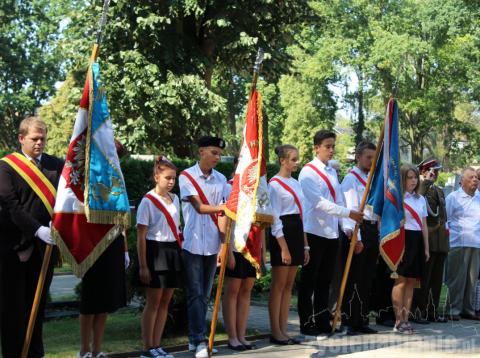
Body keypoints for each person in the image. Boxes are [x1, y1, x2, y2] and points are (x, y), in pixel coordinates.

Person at [0, 116, 63, 358]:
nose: (39, 143)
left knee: (37, 311)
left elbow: (65, 199)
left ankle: (36, 354)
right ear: (21, 138)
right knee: (13, 311)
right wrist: (37, 230)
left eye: (43, 139)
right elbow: (10, 206)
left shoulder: (55, 165)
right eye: (35, 139)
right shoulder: (6, 167)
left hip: (44, 249)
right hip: (14, 249)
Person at [297, 130, 363, 335]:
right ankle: (307, 323)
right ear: (316, 147)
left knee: (325, 280)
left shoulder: (332, 172)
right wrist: (348, 213)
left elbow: (339, 200)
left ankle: (322, 320)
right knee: (309, 280)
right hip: (314, 230)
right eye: (327, 146)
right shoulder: (308, 172)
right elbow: (319, 203)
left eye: (333, 146)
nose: (331, 150)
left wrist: (346, 225)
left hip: (332, 233)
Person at [77, 140, 130, 358]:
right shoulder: (87, 177)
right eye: (113, 153)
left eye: (117, 154)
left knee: (105, 301)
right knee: (90, 301)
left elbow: (122, 218)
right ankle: (84, 350)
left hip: (113, 242)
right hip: (92, 242)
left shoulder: (118, 178)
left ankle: (98, 349)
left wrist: (125, 249)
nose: (115, 157)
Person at [179, 136, 227, 358]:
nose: (217, 157)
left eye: (219, 153)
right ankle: (199, 339)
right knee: (195, 293)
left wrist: (224, 244)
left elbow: (224, 217)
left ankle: (194, 338)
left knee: (205, 295)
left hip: (212, 244)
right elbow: (198, 207)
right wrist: (223, 208)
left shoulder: (221, 179)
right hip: (192, 243)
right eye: (214, 152)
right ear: (201, 152)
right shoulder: (186, 176)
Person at [136, 156, 183, 358]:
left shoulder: (176, 199)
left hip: (172, 251)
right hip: (155, 251)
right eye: (167, 178)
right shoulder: (147, 201)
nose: (171, 182)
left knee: (165, 302)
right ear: (156, 177)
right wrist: (143, 266)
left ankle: (157, 345)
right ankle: (147, 348)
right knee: (153, 302)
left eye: (174, 178)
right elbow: (141, 236)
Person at [268, 145, 309, 344]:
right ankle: (275, 331)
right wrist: (283, 247)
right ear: (282, 161)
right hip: (282, 233)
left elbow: (302, 215)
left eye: (297, 159)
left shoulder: (296, 183)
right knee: (279, 285)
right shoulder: (274, 184)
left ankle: (284, 330)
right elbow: (274, 218)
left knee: (288, 286)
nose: (296, 162)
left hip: (296, 231)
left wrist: (305, 245)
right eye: (293, 159)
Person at [340, 141, 379, 335]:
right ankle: (347, 320)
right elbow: (352, 209)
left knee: (366, 278)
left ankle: (361, 318)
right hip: (358, 229)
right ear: (358, 157)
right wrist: (358, 237)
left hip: (372, 229)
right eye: (368, 157)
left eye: (374, 158)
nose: (371, 161)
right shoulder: (351, 179)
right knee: (353, 278)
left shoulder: (372, 179)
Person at [222, 157, 258, 351]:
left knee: (246, 290)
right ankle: (232, 336)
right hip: (235, 247)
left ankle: (242, 335)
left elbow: (259, 221)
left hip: (251, 247)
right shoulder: (230, 188)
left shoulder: (256, 190)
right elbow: (225, 222)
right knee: (233, 290)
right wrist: (227, 251)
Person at [392, 164, 429, 334]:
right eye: (410, 177)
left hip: (417, 241)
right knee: (400, 280)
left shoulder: (421, 199)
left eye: (415, 177)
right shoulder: (397, 198)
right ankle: (398, 321)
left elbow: (424, 225)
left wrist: (426, 248)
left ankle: (406, 319)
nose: (414, 181)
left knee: (411, 282)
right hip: (402, 239)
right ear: (403, 179)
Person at [411, 158, 449, 324]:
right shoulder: (420, 188)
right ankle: (419, 311)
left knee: (436, 281)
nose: (436, 174)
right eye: (432, 170)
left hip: (440, 242)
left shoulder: (439, 190)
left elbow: (442, 216)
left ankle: (432, 311)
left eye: (437, 171)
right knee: (424, 280)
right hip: (429, 241)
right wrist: (425, 181)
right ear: (423, 171)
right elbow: (419, 196)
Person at [445, 167, 480, 321]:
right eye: (471, 177)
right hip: (458, 242)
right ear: (462, 181)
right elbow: (446, 219)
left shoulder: (479, 197)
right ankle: (454, 309)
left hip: (476, 243)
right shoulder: (453, 197)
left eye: (476, 178)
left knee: (472, 279)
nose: (475, 180)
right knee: (457, 278)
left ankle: (468, 309)